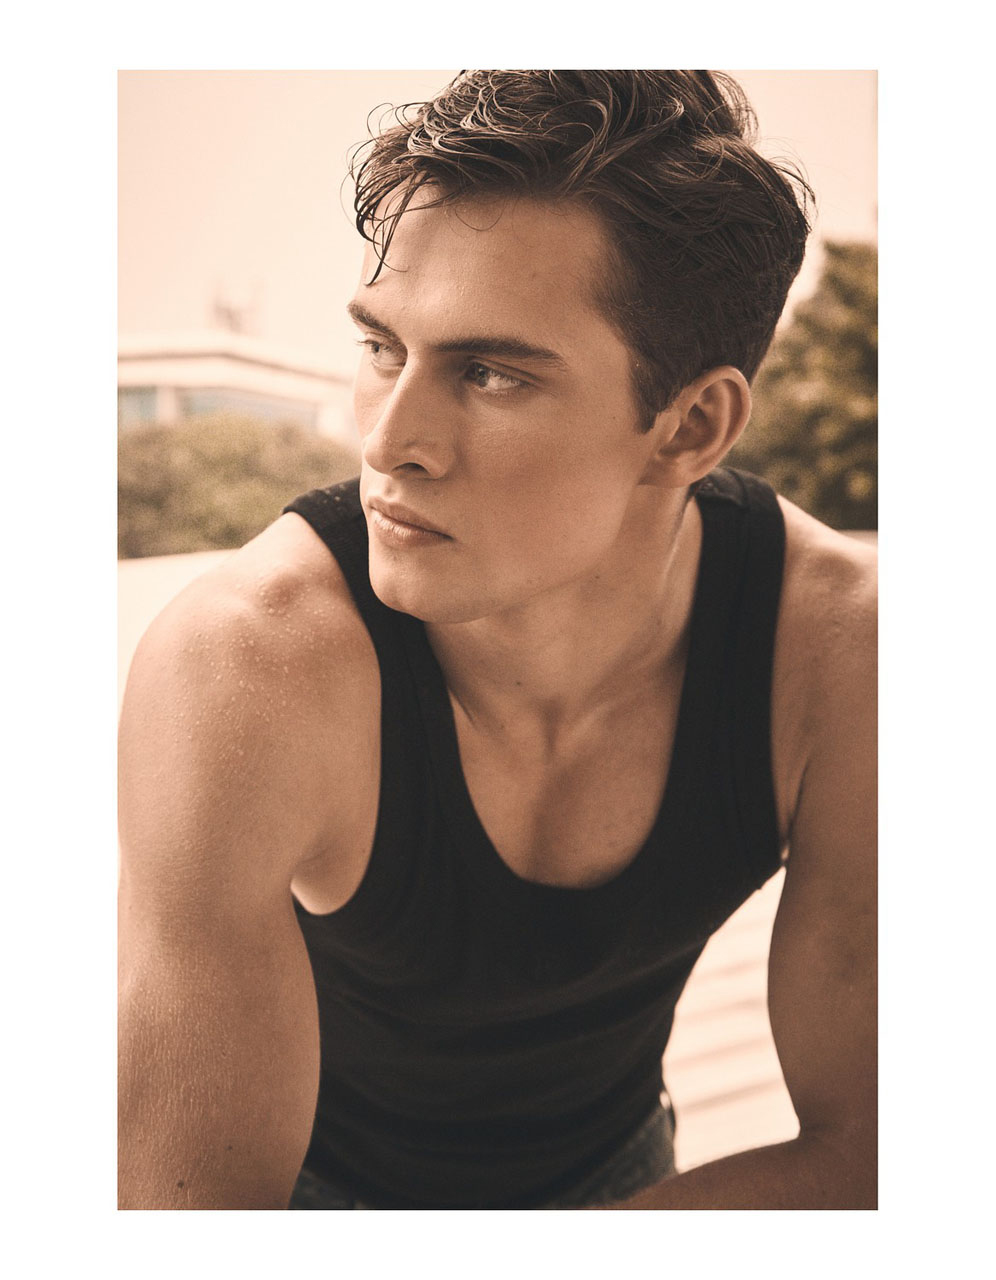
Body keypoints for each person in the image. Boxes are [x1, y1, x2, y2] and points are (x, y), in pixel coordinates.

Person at [118, 70, 877, 1210]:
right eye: (383, 347)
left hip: (625, 1186)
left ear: (689, 426)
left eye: (489, 372)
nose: (389, 441)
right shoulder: (246, 663)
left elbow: (881, 1150)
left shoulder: (843, 656)